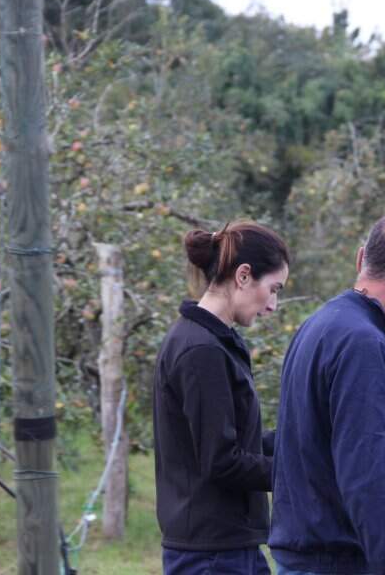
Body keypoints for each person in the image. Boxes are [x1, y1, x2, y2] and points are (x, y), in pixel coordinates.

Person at [269, 213, 385, 575]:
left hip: (302, 552)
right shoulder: (363, 345)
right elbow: (368, 477)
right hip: (334, 562)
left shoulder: (319, 324)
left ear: (361, 259)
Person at [153, 220, 289, 575]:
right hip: (211, 556)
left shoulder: (217, 342)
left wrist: (304, 443)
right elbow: (222, 461)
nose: (273, 305)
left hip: (231, 547)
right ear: (243, 276)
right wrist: (306, 473)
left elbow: (233, 440)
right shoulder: (200, 350)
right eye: (274, 289)